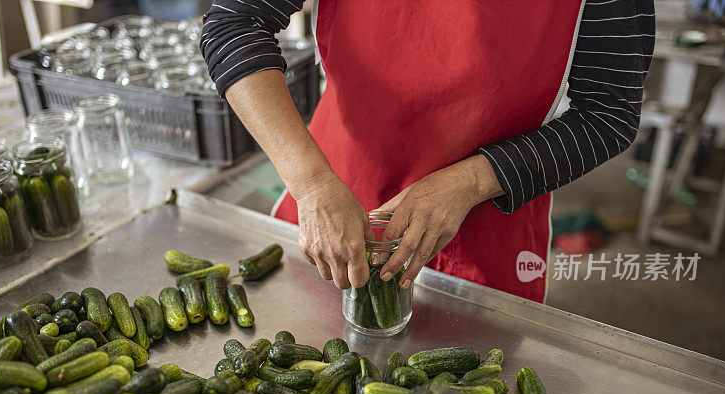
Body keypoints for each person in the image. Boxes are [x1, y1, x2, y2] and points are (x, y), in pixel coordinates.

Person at [201, 0, 654, 302]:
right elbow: (235, 22)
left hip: (490, 219)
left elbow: (609, 113)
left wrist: (471, 181)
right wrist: (312, 184)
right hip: (333, 205)